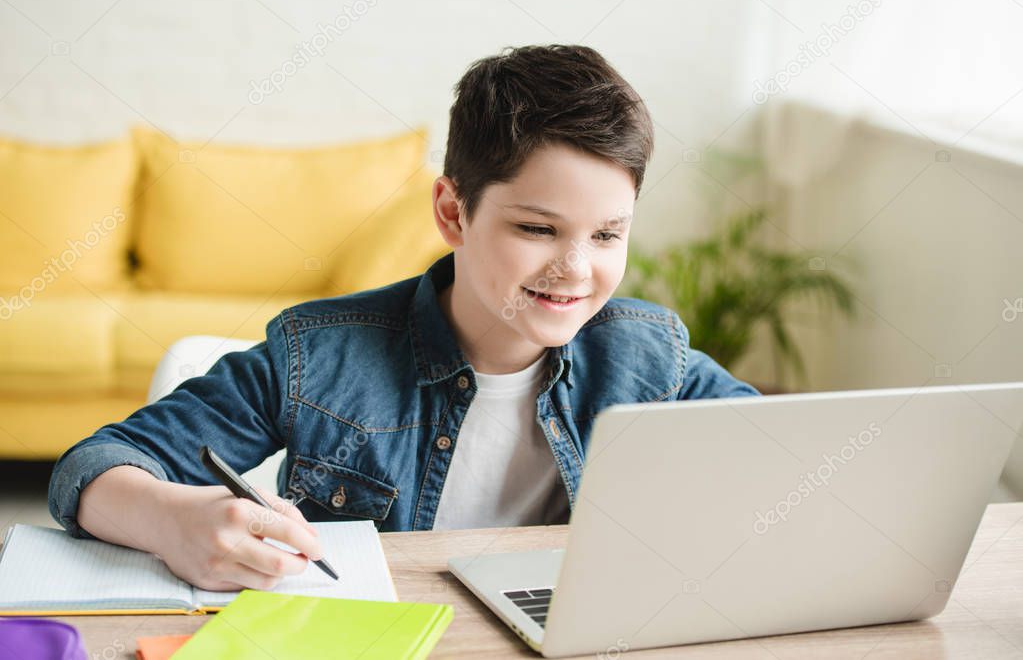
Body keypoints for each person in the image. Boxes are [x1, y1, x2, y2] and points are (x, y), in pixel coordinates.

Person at [48, 44, 759, 592]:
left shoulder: (645, 355)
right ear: (453, 212)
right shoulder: (319, 356)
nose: (576, 269)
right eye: (538, 229)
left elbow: (781, 457)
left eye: (606, 234)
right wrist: (174, 519)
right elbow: (91, 467)